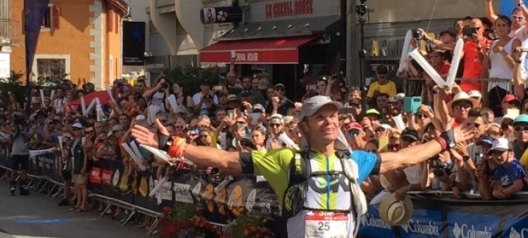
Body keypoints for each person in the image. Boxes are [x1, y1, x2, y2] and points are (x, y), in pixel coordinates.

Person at [132, 95, 474, 238]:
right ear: (304, 126)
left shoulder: (354, 160)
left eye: (333, 116)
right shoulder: (287, 160)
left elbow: (406, 158)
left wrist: (446, 140)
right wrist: (172, 145)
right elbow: (225, 160)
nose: (329, 122)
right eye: (320, 117)